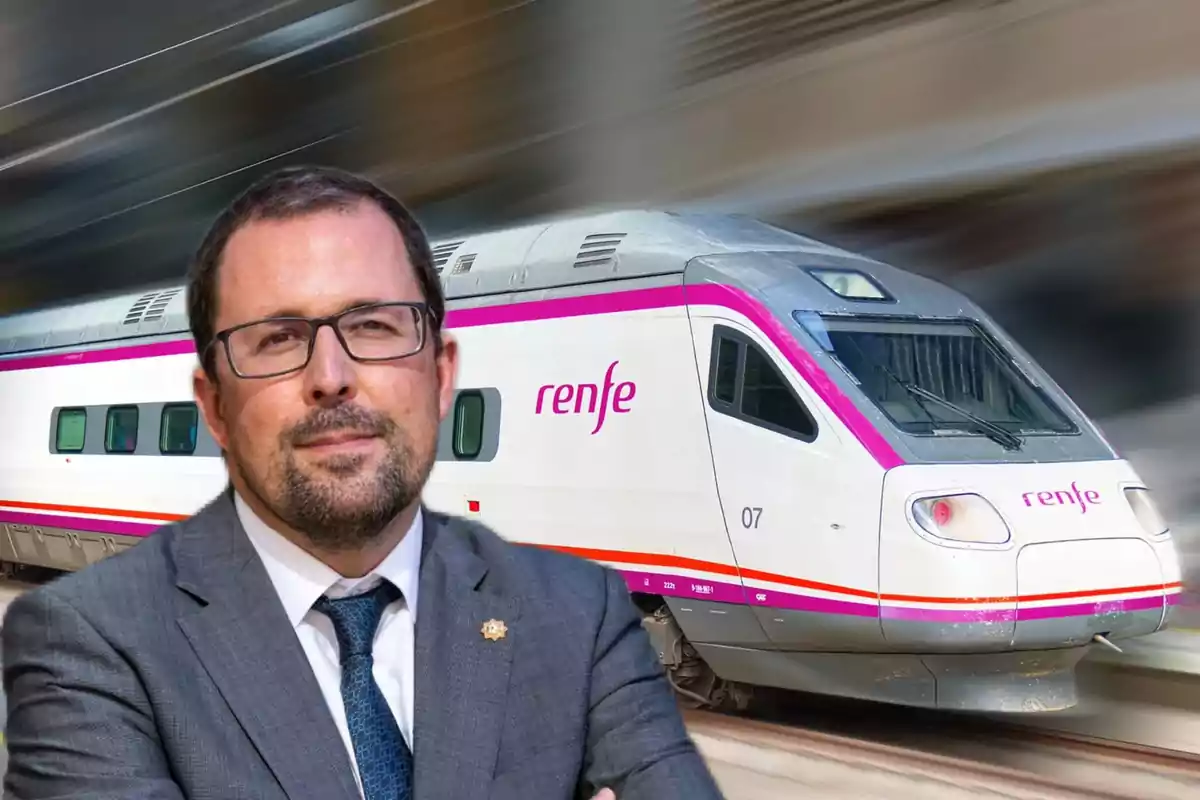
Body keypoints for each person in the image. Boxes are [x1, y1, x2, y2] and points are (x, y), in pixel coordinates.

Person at [2, 165, 725, 800]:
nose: (330, 378)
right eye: (277, 339)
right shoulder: (86, 645)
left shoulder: (580, 615)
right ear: (215, 407)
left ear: (441, 377)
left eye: (375, 326)